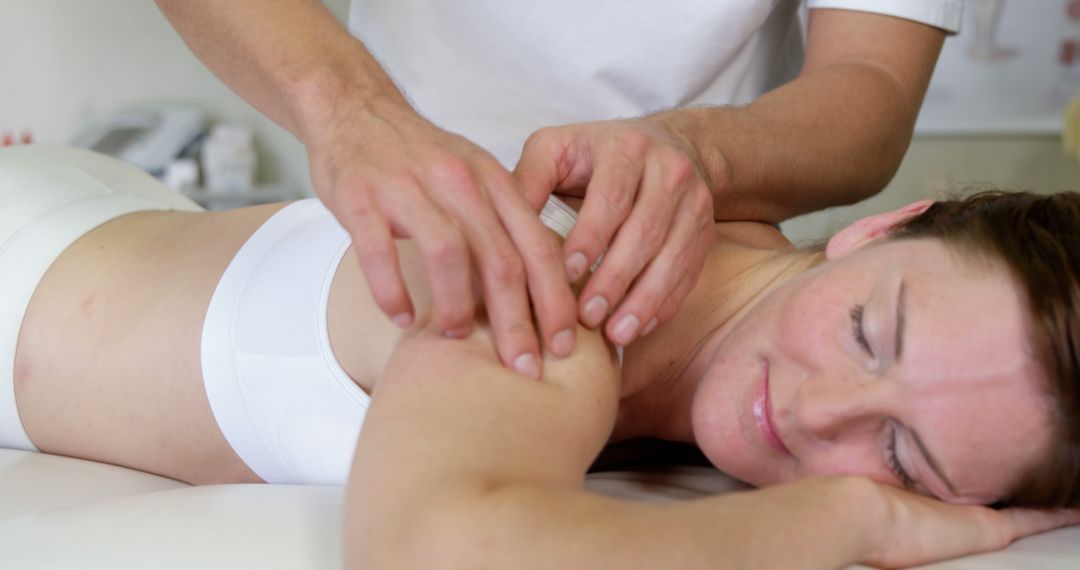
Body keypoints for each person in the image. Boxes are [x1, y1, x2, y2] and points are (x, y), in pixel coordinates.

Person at [4, 146, 1078, 568]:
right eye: (866, 332)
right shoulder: (558, 299)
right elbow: (442, 549)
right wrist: (858, 512)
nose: (817, 411)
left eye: (901, 453)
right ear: (885, 227)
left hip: (125, 223)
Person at [154, 0, 960, 382]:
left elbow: (873, 82)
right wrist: (349, 110)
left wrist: (696, 150)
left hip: (680, 249)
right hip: (378, 244)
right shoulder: (527, 350)